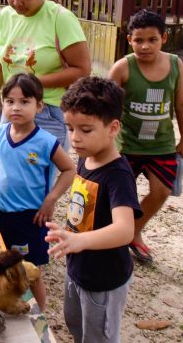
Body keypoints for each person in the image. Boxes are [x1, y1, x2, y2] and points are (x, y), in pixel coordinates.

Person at [46, 76, 142, 343]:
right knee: (77, 327)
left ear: (112, 128)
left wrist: (79, 240)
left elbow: (124, 230)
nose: (75, 138)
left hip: (104, 280)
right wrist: (67, 233)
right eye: (70, 128)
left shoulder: (118, 175)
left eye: (85, 130)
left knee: (98, 337)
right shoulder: (86, 157)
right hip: (78, 268)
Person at [0, 74, 76, 308]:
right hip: (0, 213)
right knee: (0, 264)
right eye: (10, 101)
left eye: (24, 101)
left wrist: (51, 199)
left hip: (30, 219)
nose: (16, 107)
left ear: (39, 106)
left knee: (29, 272)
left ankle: (38, 316)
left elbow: (69, 169)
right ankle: (6, 305)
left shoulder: (46, 142)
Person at [0, 0, 91, 149]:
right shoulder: (6, 16)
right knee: (3, 174)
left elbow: (82, 70)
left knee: (41, 178)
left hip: (47, 111)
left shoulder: (60, 18)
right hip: (10, 109)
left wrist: (33, 82)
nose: (17, 2)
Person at [108, 9, 183, 263]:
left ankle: (133, 232)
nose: (145, 46)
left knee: (162, 191)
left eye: (152, 40)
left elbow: (181, 104)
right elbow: (104, 105)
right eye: (138, 40)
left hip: (162, 145)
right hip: (127, 146)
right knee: (116, 197)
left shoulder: (175, 64)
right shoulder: (122, 68)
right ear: (129, 40)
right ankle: (107, 238)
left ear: (164, 38)